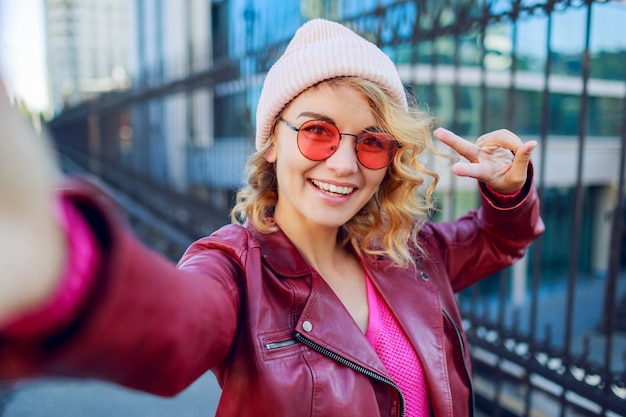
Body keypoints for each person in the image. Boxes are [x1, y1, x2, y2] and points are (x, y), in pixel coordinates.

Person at [0, 19, 543, 417]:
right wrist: (62, 267)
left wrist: (510, 190)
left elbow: (500, 240)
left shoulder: (408, 248)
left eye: (372, 143)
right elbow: (175, 327)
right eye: (317, 131)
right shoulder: (234, 268)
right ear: (271, 145)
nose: (345, 163)